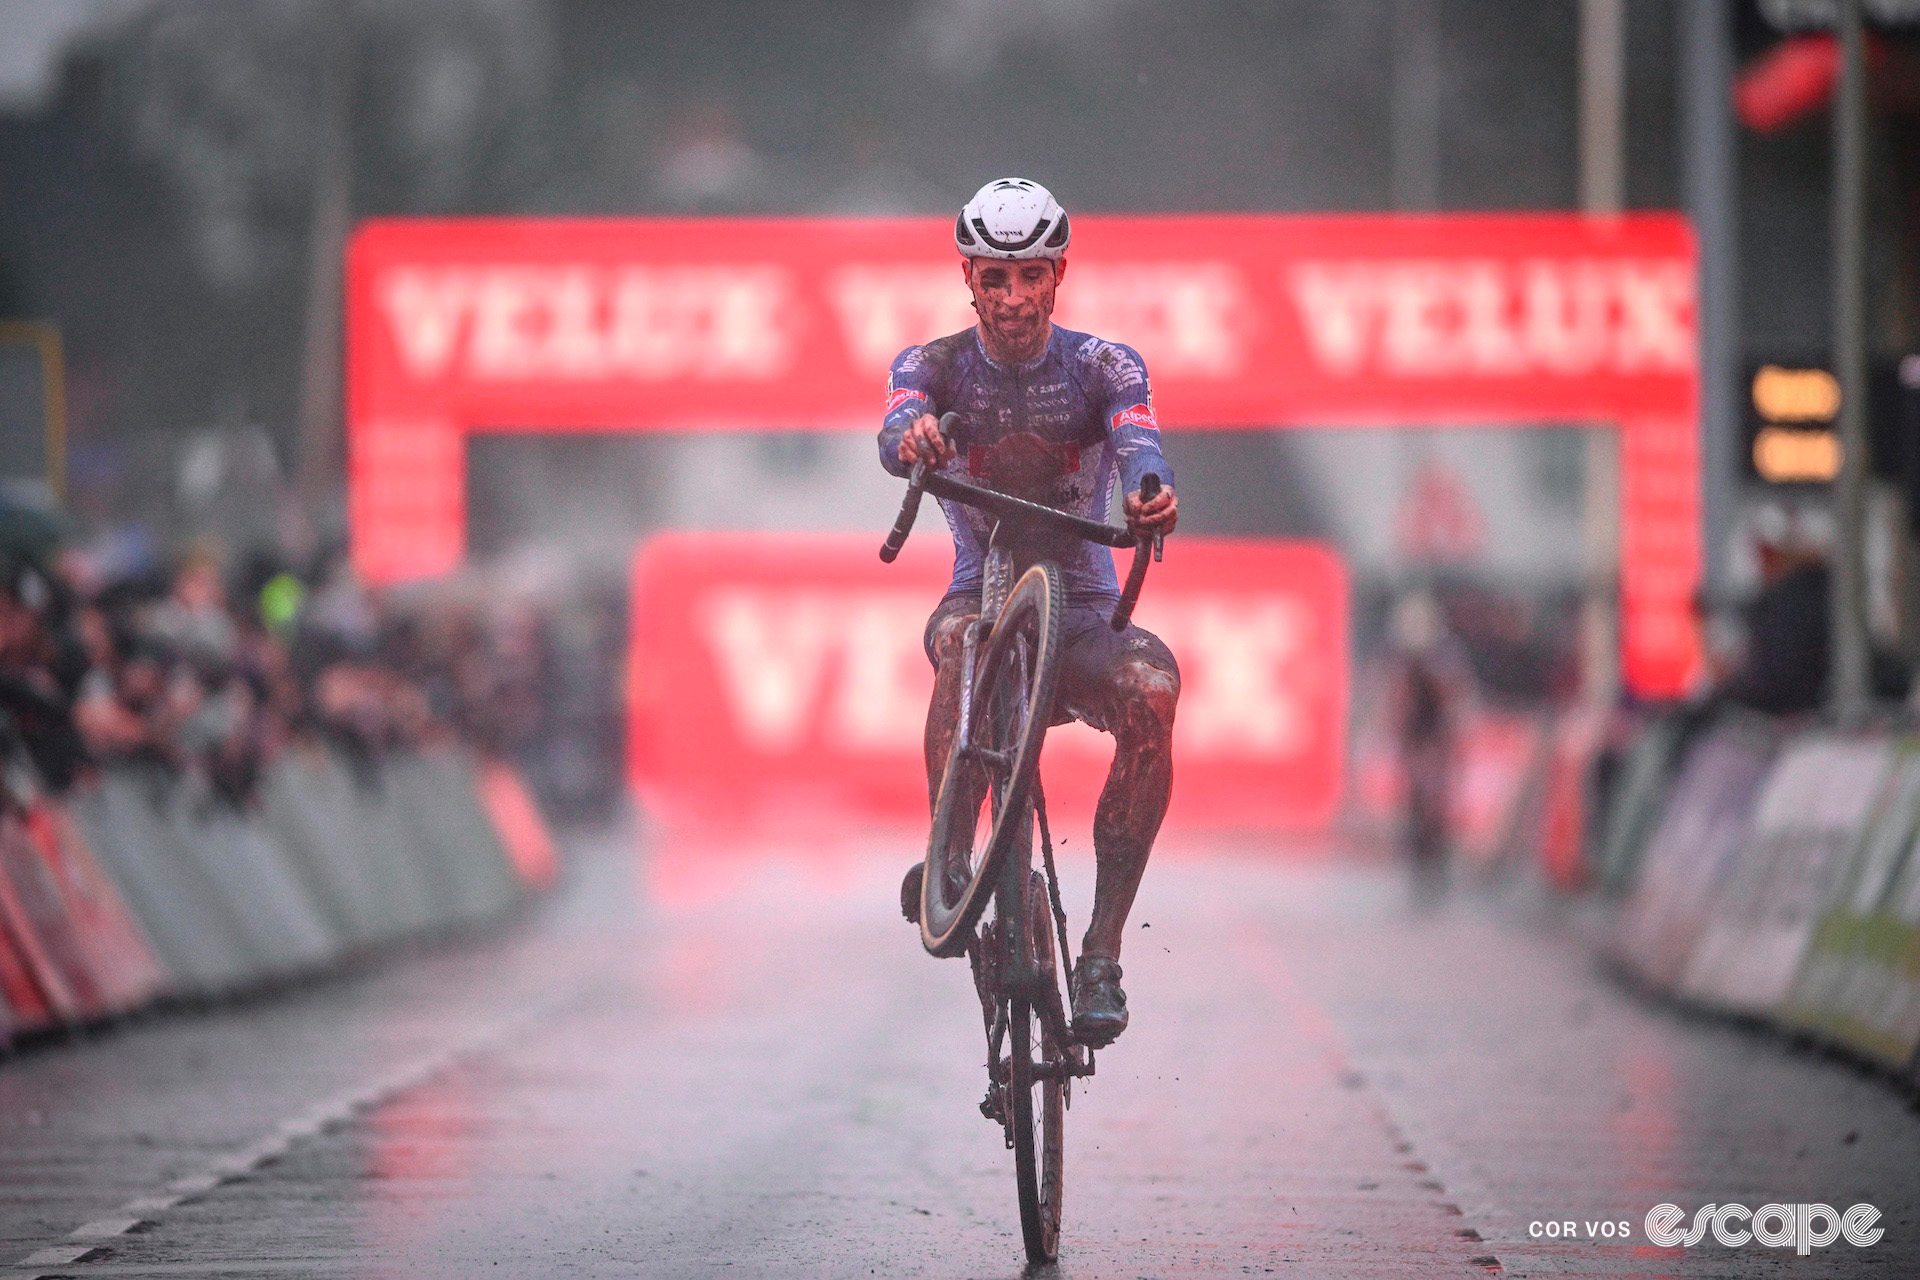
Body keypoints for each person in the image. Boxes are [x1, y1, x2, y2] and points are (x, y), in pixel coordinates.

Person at [879, 178, 1180, 1047]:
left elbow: (1140, 445)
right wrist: (914, 440)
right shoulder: (931, 364)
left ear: (1059, 278)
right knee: (958, 638)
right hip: (980, 593)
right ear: (967, 278)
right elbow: (894, 424)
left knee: (1154, 690)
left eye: (1031, 278)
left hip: (1080, 609)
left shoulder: (1104, 365)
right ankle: (952, 853)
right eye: (995, 279)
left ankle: (1101, 954)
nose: (1013, 300)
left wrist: (1152, 496)